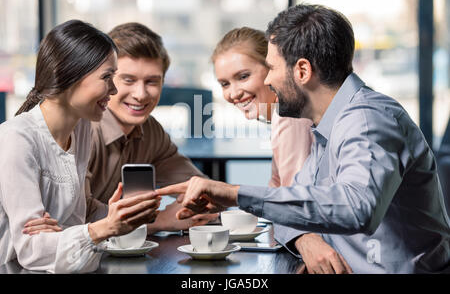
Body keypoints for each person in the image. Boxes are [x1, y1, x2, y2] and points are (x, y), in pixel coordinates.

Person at [157, 4, 450, 273]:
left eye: (271, 68)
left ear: (302, 70)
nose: (268, 80)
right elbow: (291, 210)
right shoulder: (324, 128)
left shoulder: (367, 119)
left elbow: (355, 208)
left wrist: (234, 193)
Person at [0, 20, 160, 273]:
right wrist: (104, 227)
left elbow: (75, 220)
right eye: (107, 77)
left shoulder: (81, 128)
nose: (114, 89)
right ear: (69, 75)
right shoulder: (16, 139)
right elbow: (31, 251)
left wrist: (120, 215)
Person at [212, 27, 351, 273]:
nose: (233, 93)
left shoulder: (289, 119)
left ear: (272, 69)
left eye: (243, 76)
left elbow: (293, 203)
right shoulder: (285, 116)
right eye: (224, 83)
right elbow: (278, 190)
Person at [83, 22, 217, 232]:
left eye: (152, 82)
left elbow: (201, 189)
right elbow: (69, 221)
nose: (141, 94)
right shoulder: (82, 131)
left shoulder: (150, 131)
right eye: (128, 80)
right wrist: (159, 221)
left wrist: (196, 205)